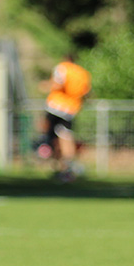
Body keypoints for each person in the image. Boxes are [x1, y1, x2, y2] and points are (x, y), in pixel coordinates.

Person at [36, 53, 91, 182]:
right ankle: (66, 166)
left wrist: (45, 86)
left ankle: (44, 147)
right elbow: (87, 92)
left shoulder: (63, 68)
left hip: (56, 106)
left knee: (46, 130)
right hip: (71, 110)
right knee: (65, 136)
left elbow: (57, 84)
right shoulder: (83, 73)